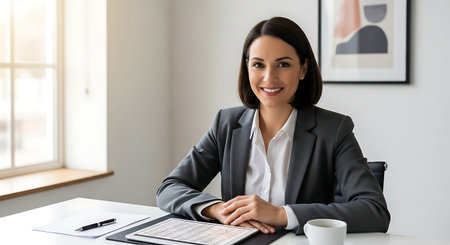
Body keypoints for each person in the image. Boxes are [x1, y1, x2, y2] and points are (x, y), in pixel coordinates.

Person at [156, 16, 390, 235]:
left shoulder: (334, 129)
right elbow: (170, 188)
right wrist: (217, 209)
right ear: (247, 67)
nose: (269, 78)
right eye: (258, 65)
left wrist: (281, 214)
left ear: (303, 69)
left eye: (283, 65)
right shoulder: (225, 124)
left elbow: (374, 211)